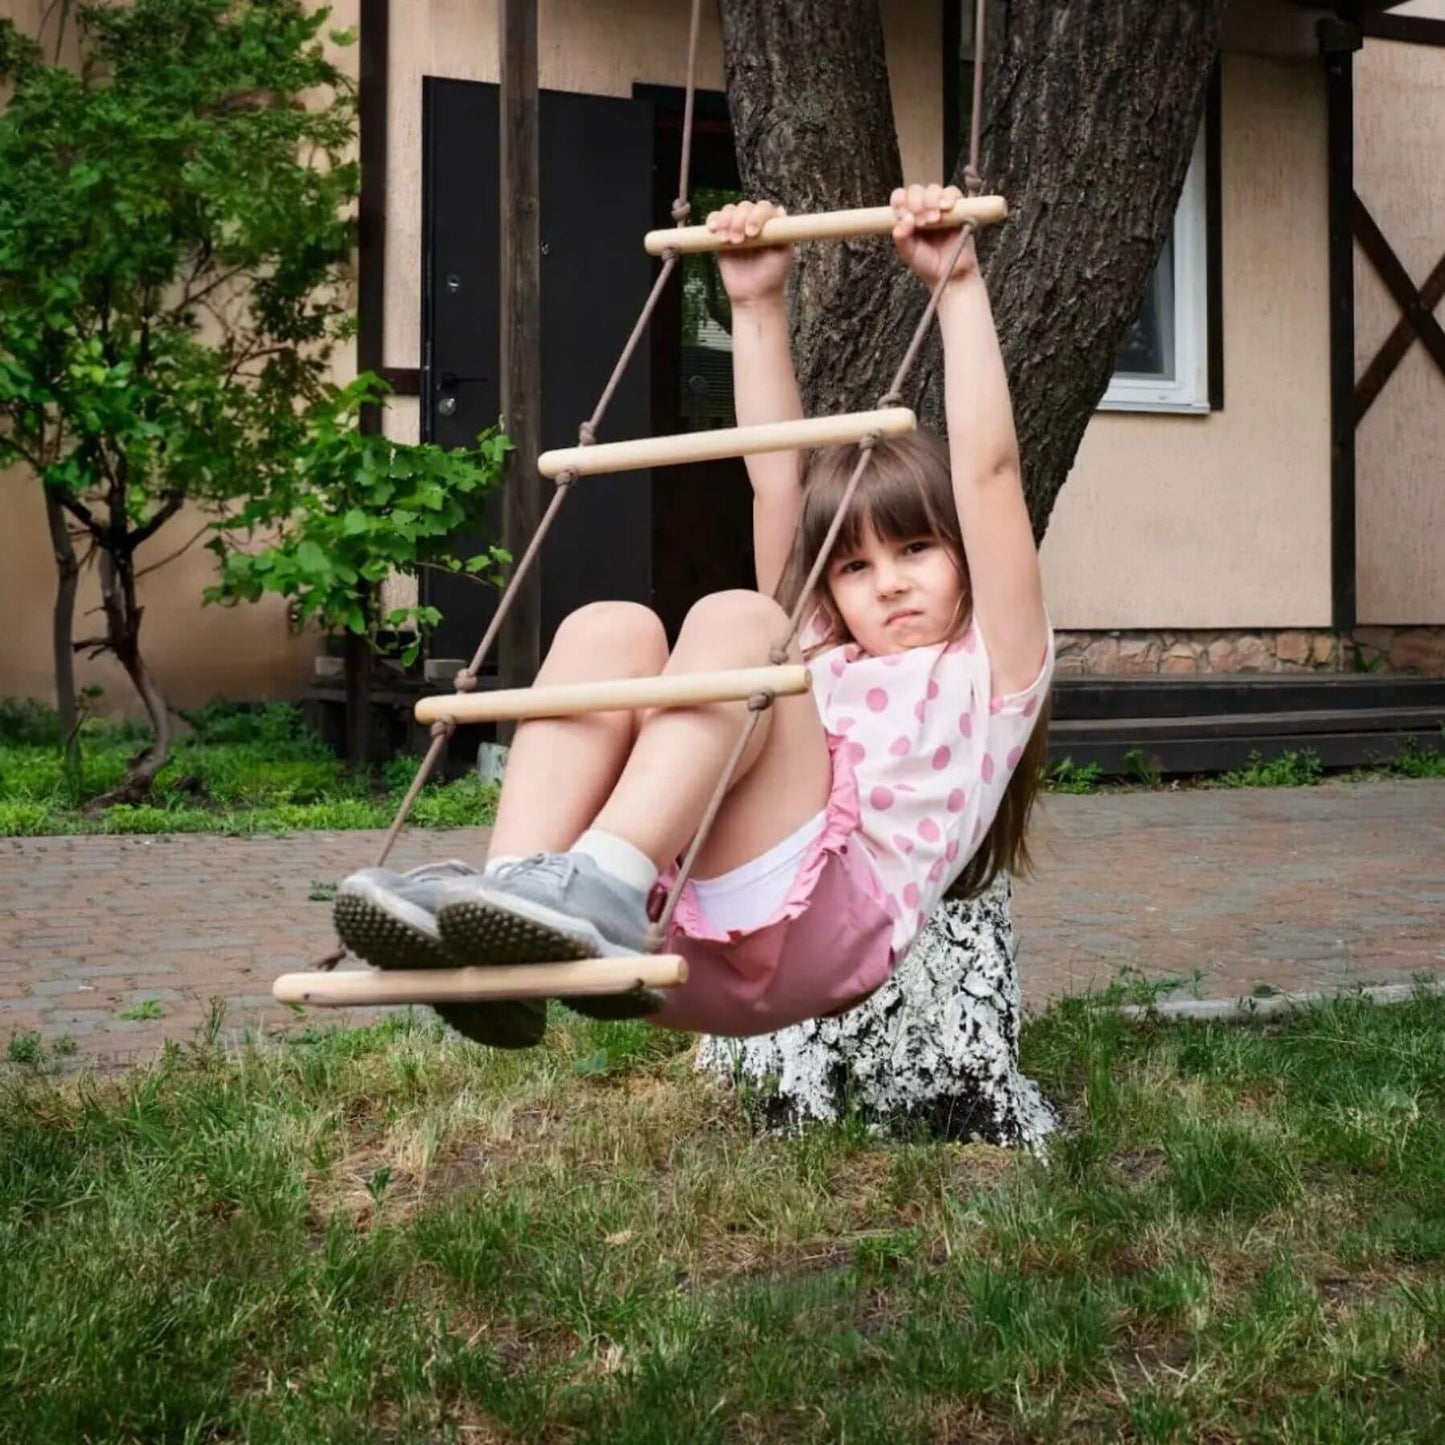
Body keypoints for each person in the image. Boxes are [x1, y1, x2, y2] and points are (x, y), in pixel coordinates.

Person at [332, 182, 1053, 1050]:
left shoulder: (994, 666)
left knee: (740, 622)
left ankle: (597, 880)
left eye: (915, 550)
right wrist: (751, 303)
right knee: (609, 627)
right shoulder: (826, 649)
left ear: (963, 557)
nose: (888, 584)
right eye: (854, 567)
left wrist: (961, 286)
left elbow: (989, 475)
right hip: (681, 925)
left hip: (810, 937)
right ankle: (516, 902)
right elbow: (772, 475)